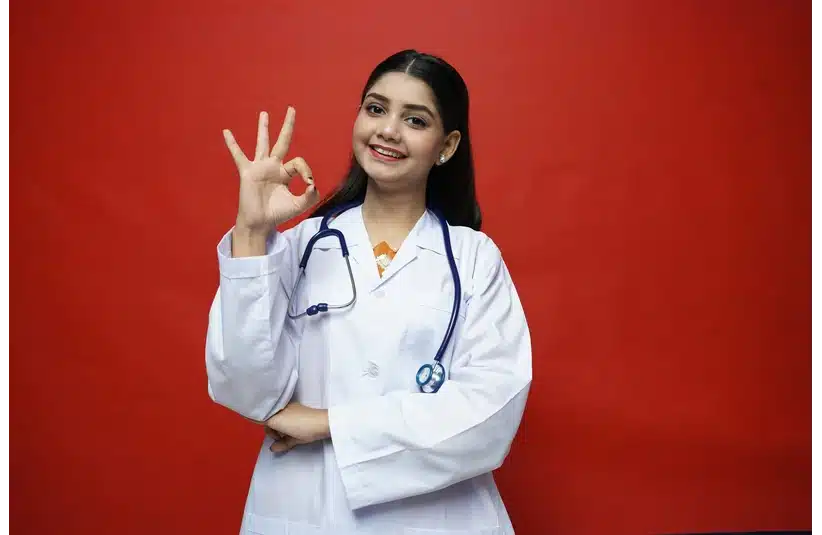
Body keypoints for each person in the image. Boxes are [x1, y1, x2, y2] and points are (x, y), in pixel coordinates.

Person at [206, 49, 532, 535]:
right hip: (305, 509)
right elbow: (247, 391)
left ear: (447, 145)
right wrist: (251, 232)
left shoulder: (473, 259)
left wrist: (330, 422)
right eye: (376, 109)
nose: (388, 130)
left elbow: (490, 412)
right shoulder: (294, 246)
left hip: (438, 518)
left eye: (415, 119)